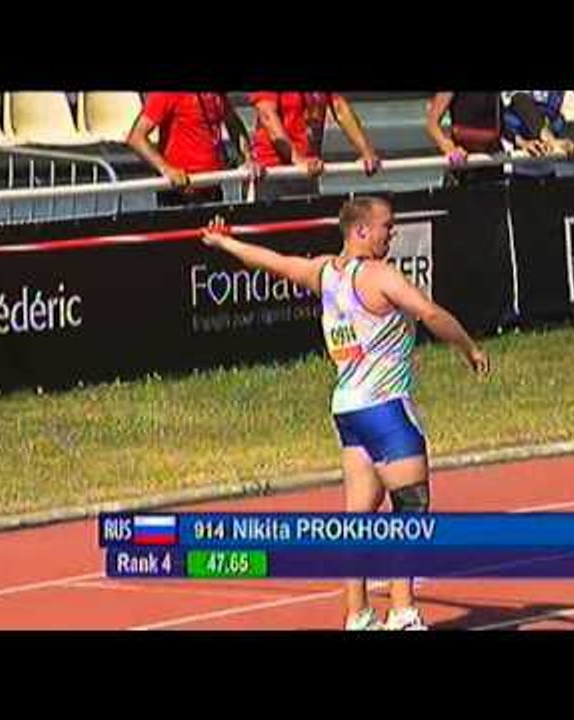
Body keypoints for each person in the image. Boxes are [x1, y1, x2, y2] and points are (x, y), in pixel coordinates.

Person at [200, 196, 490, 630]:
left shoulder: (324, 272)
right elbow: (429, 312)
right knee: (411, 509)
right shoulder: (380, 276)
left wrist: (227, 245)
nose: (391, 234)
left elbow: (274, 262)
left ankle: (357, 614)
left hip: (348, 409)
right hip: (386, 408)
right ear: (360, 231)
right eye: (386, 227)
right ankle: (404, 612)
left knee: (358, 519)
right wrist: (470, 348)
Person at [128, 92, 262, 207]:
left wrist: (248, 158)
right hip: (180, 193)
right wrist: (166, 169)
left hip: (213, 188)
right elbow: (136, 137)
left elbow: (234, 125)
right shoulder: (168, 94)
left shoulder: (217, 96)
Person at [248, 92, 381, 201]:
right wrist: (297, 159)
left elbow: (339, 108)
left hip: (309, 170)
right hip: (273, 173)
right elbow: (267, 115)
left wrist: (367, 152)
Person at [425, 92, 505, 185]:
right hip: (464, 164)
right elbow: (432, 124)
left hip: (493, 161)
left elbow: (502, 123)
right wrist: (450, 149)